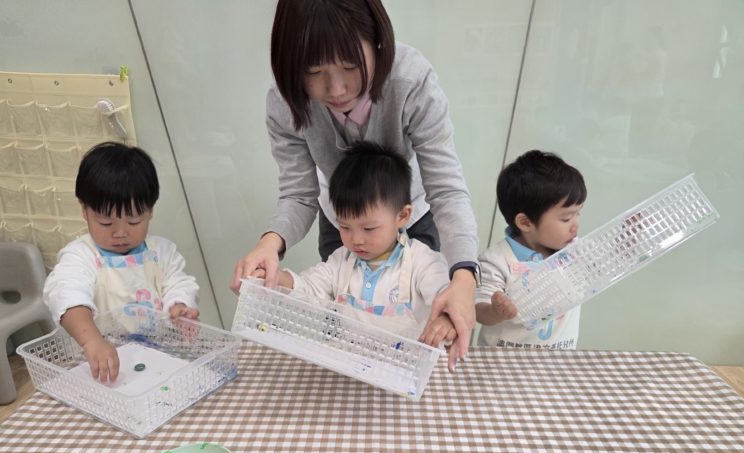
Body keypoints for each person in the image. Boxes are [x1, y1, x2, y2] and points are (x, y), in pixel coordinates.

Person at [230, 0, 479, 363]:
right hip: (341, 216)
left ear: (378, 41)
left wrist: (464, 279)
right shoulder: (286, 102)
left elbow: (446, 189)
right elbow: (299, 195)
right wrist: (270, 246)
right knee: (345, 318)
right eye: (313, 71)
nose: (336, 89)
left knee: (422, 317)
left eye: (349, 66)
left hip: (408, 214)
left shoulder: (411, 81)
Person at [266, 142, 458, 368]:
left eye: (369, 228)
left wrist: (446, 319)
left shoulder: (422, 261)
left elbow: (447, 297)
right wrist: (278, 278)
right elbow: (308, 288)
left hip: (403, 372)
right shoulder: (341, 260)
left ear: (402, 216)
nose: (356, 240)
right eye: (345, 227)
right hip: (347, 370)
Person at [44, 142, 200, 383]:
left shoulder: (162, 252)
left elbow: (179, 283)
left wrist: (179, 305)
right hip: (102, 366)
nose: (120, 233)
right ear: (84, 210)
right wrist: (92, 341)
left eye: (134, 222)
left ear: (150, 211)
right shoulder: (81, 256)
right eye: (106, 223)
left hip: (157, 359)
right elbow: (66, 294)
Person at [475, 150, 587, 349]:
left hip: (559, 363)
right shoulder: (496, 261)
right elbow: (479, 310)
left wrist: (628, 238)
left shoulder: (574, 251)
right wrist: (495, 311)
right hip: (502, 362)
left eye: (578, 214)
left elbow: (606, 262)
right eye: (566, 218)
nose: (575, 225)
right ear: (525, 222)